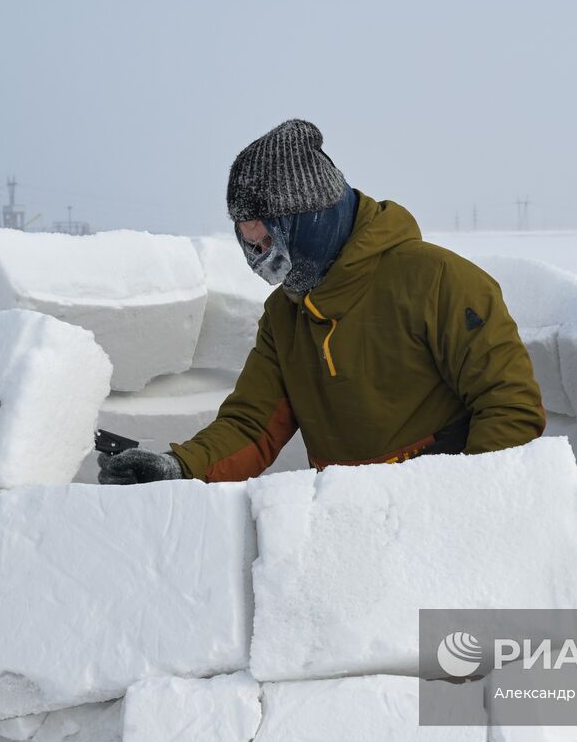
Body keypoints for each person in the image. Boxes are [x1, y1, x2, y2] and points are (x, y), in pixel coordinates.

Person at [98, 118, 545, 484]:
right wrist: (180, 468)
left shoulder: (438, 281)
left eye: (269, 239)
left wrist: (460, 509)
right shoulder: (285, 316)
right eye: (251, 244)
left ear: (311, 220)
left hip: (435, 513)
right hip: (341, 523)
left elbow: (511, 409)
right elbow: (252, 426)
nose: (263, 260)